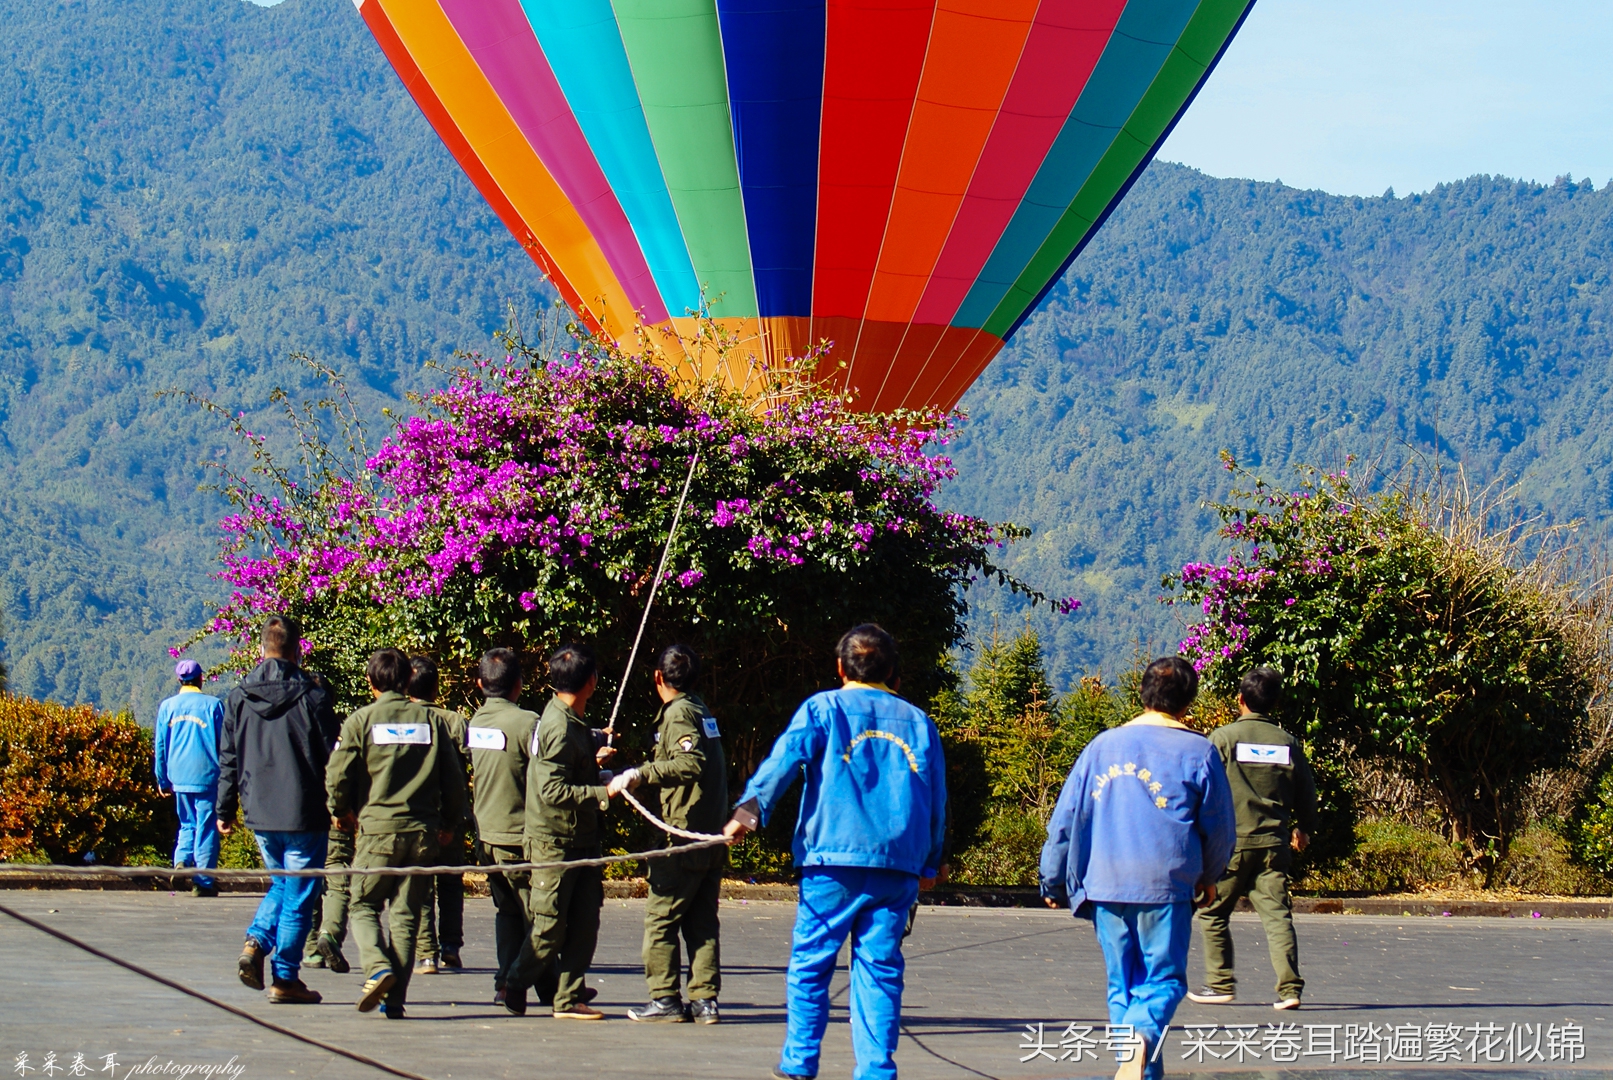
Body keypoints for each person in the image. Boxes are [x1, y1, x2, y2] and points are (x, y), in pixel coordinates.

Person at [724, 624, 947, 1080]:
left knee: (811, 963)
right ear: (895, 675)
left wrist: (746, 816)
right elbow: (936, 799)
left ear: (841, 668)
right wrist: (932, 859)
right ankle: (877, 1071)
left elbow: (782, 762)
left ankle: (800, 1063)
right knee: (879, 971)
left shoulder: (823, 708)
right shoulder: (919, 722)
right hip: (896, 867)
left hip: (830, 863)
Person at [1039, 656, 1236, 1080]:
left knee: (1122, 987)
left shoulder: (1101, 746)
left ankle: (1139, 1070)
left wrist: (1052, 879)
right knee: (1163, 981)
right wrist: (1210, 876)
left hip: (1105, 885)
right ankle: (1143, 1038)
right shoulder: (1199, 751)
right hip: (1166, 885)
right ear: (1187, 702)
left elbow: (1066, 821)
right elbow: (1220, 828)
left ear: (1143, 694)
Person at [327, 648, 468, 1019]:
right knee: (406, 917)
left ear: (371, 683)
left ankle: (376, 966)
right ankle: (396, 998)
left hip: (378, 832)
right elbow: (454, 782)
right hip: (422, 833)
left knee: (363, 904)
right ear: (408, 681)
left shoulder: (361, 721)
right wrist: (450, 825)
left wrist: (340, 811)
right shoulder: (432, 722)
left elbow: (337, 775)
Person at [217, 614, 340, 1005]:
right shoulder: (313, 697)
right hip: (304, 810)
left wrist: (224, 809)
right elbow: (333, 757)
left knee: (283, 884)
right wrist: (343, 805)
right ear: (297, 650)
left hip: (259, 810)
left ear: (261, 649)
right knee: (300, 892)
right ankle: (285, 977)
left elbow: (229, 758)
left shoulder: (238, 697)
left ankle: (255, 941)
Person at [608, 644, 729, 1024]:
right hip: (710, 833)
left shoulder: (678, 714)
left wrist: (641, 773)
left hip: (684, 835)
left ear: (658, 677)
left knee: (661, 920)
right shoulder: (700, 710)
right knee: (701, 923)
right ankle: (705, 1001)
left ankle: (665, 999)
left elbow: (689, 763)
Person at [1186, 666, 1317, 1011]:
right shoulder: (1287, 742)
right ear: (1274, 703)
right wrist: (1303, 827)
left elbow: (1203, 788)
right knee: (1277, 917)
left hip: (1230, 846)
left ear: (1240, 700)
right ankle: (1289, 989)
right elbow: (1307, 790)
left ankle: (1220, 982)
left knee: (1213, 913)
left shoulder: (1224, 739)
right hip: (1274, 845)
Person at [504, 642, 618, 1020]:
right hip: (554, 842)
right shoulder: (556, 726)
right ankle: (515, 982)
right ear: (592, 682)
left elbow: (568, 768)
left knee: (586, 921)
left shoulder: (571, 720)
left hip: (582, 839)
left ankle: (568, 998)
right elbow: (552, 790)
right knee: (549, 926)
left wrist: (595, 760)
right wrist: (603, 791)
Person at [465, 647, 541, 1008]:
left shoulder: (476, 723)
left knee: (508, 912)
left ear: (480, 684)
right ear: (519, 684)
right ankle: (521, 984)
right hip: (520, 836)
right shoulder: (528, 723)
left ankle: (506, 982)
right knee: (538, 917)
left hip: (488, 834)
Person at [408, 654, 470, 976]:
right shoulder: (455, 721)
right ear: (436, 686)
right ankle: (451, 947)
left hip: (417, 815)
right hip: (451, 814)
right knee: (450, 882)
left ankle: (426, 953)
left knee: (420, 886)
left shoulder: (403, 721)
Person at [153, 659, 224, 898]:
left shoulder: (167, 707)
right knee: (206, 826)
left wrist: (162, 778)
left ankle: (182, 860)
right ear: (201, 678)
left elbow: (161, 745)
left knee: (187, 823)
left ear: (179, 680)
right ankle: (203, 881)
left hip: (179, 776)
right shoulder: (214, 706)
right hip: (206, 775)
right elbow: (224, 745)